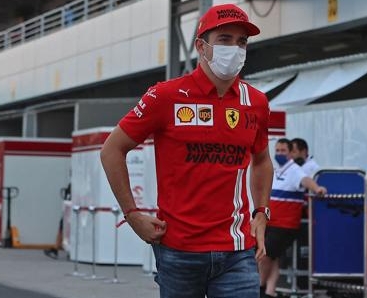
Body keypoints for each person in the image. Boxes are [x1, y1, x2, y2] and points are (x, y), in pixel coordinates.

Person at [100, 4, 273, 298]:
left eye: (241, 41)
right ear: (201, 46)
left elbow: (262, 161)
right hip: (178, 249)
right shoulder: (164, 96)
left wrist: (261, 212)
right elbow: (112, 150)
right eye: (225, 39)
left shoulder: (255, 102)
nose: (235, 48)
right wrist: (132, 214)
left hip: (237, 251)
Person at [259, 138, 327, 298]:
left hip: (284, 225)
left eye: (283, 151)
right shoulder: (277, 170)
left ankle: (259, 287)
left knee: (266, 255)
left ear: (290, 153)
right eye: (277, 151)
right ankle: (269, 291)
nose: (279, 154)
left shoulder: (295, 169)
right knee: (272, 258)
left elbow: (306, 180)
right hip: (271, 222)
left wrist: (317, 188)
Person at [44, 183, 71, 259]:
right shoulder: (73, 184)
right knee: (63, 227)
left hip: (70, 208)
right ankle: (57, 247)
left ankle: (58, 248)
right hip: (69, 208)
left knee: (65, 228)